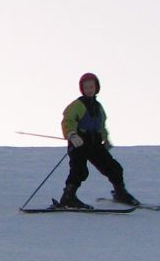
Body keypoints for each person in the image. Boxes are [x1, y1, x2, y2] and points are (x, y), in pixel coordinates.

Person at [57, 72, 139, 208]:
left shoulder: (99, 107)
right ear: (82, 89)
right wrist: (72, 135)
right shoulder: (77, 105)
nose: (89, 89)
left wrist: (105, 139)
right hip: (79, 143)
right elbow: (67, 120)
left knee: (114, 167)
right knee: (79, 170)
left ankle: (120, 192)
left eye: (91, 87)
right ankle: (68, 197)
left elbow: (101, 125)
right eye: (86, 87)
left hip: (95, 143)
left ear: (96, 88)